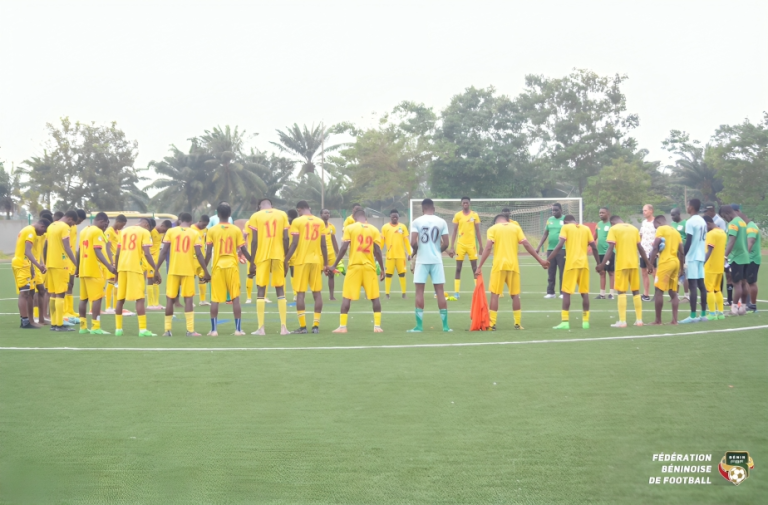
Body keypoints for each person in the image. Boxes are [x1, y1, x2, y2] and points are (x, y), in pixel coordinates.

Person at [476, 214, 549, 330]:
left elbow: (488, 247)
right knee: (515, 295)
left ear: (496, 222)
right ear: (507, 220)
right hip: (513, 266)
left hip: (498, 266)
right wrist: (540, 260)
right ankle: (517, 324)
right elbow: (526, 244)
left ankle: (492, 324)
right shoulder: (516, 228)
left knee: (495, 294)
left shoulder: (493, 229)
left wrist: (479, 266)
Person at [328, 209, 385, 333]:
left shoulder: (350, 228)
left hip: (354, 266)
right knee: (375, 297)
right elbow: (377, 251)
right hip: (369, 267)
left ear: (354, 217)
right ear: (365, 217)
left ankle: (343, 327)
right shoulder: (374, 229)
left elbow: (343, 248)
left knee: (347, 296)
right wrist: (382, 269)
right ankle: (377, 326)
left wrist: (334, 265)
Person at [597, 215, 653, 328]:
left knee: (621, 292)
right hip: (633, 264)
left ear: (612, 223)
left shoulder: (614, 229)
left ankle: (622, 321)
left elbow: (610, 248)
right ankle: (639, 320)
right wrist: (648, 263)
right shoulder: (634, 228)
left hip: (622, 264)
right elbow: (640, 248)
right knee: (636, 292)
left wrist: (602, 264)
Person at [156, 212, 206, 336]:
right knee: (188, 299)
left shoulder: (171, 232)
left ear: (179, 220)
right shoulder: (194, 233)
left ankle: (167, 330)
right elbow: (199, 254)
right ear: (191, 221)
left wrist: (156, 269)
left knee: (169, 299)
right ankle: (190, 330)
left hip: (173, 270)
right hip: (188, 270)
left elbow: (164, 251)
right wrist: (205, 270)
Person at [547, 215, 600, 329]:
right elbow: (594, 247)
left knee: (566, 293)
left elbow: (559, 245)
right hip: (584, 265)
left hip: (571, 265)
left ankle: (565, 322)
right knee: (584, 293)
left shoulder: (565, 228)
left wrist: (548, 259)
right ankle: (585, 322)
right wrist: (599, 264)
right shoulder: (585, 229)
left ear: (565, 222)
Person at [247, 198, 291, 336]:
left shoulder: (255, 216)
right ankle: (284, 328)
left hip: (262, 256)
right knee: (280, 289)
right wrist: (286, 259)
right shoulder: (282, 214)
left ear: (259, 206)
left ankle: (261, 328)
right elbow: (286, 238)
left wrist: (252, 261)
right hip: (278, 255)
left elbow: (254, 241)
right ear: (272, 205)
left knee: (261, 289)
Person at [204, 203, 248, 336]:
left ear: (217, 215)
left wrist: (204, 269)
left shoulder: (211, 230)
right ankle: (238, 330)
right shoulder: (236, 230)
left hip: (217, 266)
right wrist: (252, 262)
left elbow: (208, 252)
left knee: (215, 299)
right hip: (232, 266)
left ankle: (214, 330)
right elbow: (243, 249)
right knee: (235, 298)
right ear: (230, 215)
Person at [284, 201, 328, 333]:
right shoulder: (320, 222)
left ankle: (303, 327)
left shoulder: (297, 222)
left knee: (300, 294)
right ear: (309, 208)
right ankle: (316, 326)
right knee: (317, 293)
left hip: (301, 261)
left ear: (299, 209)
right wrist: (326, 263)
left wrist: (286, 259)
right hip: (316, 261)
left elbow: (295, 243)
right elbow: (323, 245)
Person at [408, 199, 451, 332]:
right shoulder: (441, 221)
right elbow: (446, 243)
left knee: (419, 291)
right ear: (434, 208)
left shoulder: (417, 221)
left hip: (422, 260)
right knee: (440, 292)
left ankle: (419, 326)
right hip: (436, 260)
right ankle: (445, 326)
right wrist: (438, 250)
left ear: (422, 209)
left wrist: (416, 251)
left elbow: (413, 242)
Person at [114, 218, 159, 337]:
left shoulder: (123, 231)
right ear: (147, 225)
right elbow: (147, 253)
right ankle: (143, 330)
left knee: (120, 298)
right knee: (140, 298)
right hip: (135, 267)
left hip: (122, 267)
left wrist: (116, 271)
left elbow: (117, 253)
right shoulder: (144, 232)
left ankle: (118, 329)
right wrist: (156, 269)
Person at [75, 213, 116, 334]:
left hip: (83, 269)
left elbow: (79, 250)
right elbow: (97, 250)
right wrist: (109, 266)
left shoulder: (84, 231)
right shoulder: (97, 231)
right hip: (94, 270)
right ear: (102, 221)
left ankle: (82, 327)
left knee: (84, 298)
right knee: (97, 299)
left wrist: (77, 268)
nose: (106, 227)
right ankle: (95, 327)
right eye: (106, 224)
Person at [12, 218, 50, 329]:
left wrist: (32, 266)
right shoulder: (30, 232)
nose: (42, 234)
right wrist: (39, 266)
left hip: (26, 264)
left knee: (29, 293)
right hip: (21, 264)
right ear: (42, 226)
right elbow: (27, 251)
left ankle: (30, 321)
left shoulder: (28, 230)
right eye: (44, 231)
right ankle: (25, 321)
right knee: (24, 293)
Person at [647, 215, 684, 325]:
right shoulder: (676, 232)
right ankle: (674, 320)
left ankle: (658, 320)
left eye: (655, 227)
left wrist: (650, 263)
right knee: (673, 292)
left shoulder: (661, 229)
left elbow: (655, 247)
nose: (655, 230)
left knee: (659, 290)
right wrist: (682, 268)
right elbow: (681, 252)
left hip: (665, 262)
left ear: (657, 222)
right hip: (675, 262)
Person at [46, 211, 78, 331]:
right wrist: (76, 264)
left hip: (50, 263)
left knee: (53, 294)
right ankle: (59, 324)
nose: (71, 225)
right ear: (70, 218)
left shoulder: (51, 226)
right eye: (72, 223)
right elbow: (67, 247)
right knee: (60, 293)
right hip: (61, 264)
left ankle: (54, 323)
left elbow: (47, 245)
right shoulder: (64, 227)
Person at [447, 197, 483, 299]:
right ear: (461, 204)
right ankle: (456, 292)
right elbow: (454, 231)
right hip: (460, 245)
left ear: (469, 203)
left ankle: (478, 292)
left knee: (475, 269)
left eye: (467, 202)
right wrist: (452, 247)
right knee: (458, 268)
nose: (465, 204)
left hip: (472, 245)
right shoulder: (458, 215)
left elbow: (478, 231)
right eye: (464, 202)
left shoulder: (474, 215)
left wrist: (481, 246)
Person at [680, 199, 708, 323]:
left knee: (693, 286)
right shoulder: (702, 221)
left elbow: (689, 241)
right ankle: (703, 315)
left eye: (687, 205)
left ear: (691, 207)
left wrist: (682, 255)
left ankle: (692, 316)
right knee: (701, 286)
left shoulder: (690, 221)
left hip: (692, 257)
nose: (686, 207)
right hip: (701, 255)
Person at [721, 205, 749, 315]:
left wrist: (724, 256)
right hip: (745, 257)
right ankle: (743, 308)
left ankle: (734, 309)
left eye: (724, 217)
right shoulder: (741, 222)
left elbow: (731, 241)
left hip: (736, 258)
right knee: (743, 284)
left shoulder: (732, 224)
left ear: (726, 214)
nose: (725, 219)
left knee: (736, 284)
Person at [536, 203, 565, 299]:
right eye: (552, 210)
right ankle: (550, 292)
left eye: (556, 210)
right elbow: (545, 234)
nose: (554, 212)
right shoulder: (550, 220)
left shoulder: (565, 220)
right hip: (550, 249)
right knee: (551, 271)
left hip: (563, 249)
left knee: (562, 271)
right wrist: (539, 246)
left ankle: (563, 292)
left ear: (561, 210)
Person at [381, 209, 411, 299]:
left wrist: (409, 253)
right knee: (388, 275)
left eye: (396, 216)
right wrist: (378, 252)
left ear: (398, 217)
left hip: (401, 256)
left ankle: (404, 294)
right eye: (393, 216)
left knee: (402, 274)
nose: (395, 218)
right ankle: (387, 294)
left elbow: (406, 241)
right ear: (390, 217)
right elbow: (382, 241)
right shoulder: (385, 227)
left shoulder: (402, 227)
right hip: (390, 256)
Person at [63, 209, 87, 321]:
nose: (79, 223)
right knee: (65, 285)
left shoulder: (74, 227)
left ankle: (70, 310)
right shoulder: (66, 226)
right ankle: (64, 311)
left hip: (71, 259)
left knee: (71, 284)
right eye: (79, 221)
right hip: (65, 259)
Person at [103, 214, 128, 315]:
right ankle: (108, 307)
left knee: (116, 283)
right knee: (111, 282)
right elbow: (107, 247)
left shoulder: (119, 232)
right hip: (112, 260)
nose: (123, 227)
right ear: (118, 222)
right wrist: (110, 261)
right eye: (122, 225)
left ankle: (114, 307)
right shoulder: (109, 231)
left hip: (118, 260)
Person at [703, 215, 727, 320]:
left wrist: (703, 262)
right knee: (717, 289)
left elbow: (709, 250)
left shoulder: (711, 234)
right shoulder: (722, 232)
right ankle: (720, 313)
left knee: (709, 289)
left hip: (711, 265)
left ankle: (712, 314)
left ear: (708, 223)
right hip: (720, 266)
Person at [32, 210, 53, 325]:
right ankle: (36, 316)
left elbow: (39, 251)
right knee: (33, 291)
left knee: (41, 290)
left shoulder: (41, 234)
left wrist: (42, 263)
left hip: (39, 265)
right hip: (33, 265)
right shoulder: (33, 233)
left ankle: (41, 316)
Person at [146, 219, 171, 311]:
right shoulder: (151, 231)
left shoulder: (161, 234)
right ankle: (150, 303)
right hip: (150, 260)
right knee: (150, 279)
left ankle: (156, 303)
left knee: (156, 280)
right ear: (162, 225)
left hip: (157, 261)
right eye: (165, 230)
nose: (165, 232)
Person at [594, 207, 615, 299]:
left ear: (608, 213)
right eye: (600, 213)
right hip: (600, 252)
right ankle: (602, 294)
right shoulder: (598, 224)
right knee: (601, 272)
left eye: (603, 213)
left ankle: (611, 294)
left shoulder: (612, 224)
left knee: (611, 272)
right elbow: (595, 236)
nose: (601, 214)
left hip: (609, 252)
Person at [191, 214, 211, 306]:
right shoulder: (191, 229)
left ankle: (202, 300)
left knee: (202, 277)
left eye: (206, 225)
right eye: (203, 224)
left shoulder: (206, 230)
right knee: (191, 278)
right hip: (192, 257)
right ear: (199, 221)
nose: (204, 226)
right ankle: (190, 300)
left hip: (201, 257)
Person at [670, 207, 689, 301]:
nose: (672, 217)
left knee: (683, 272)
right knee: (675, 273)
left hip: (683, 252)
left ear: (679, 214)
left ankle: (686, 295)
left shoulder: (685, 223)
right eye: (671, 215)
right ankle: (675, 296)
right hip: (674, 252)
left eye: (673, 215)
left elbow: (688, 238)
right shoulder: (672, 224)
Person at [638, 204, 656, 301]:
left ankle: (658, 293)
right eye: (643, 210)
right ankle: (646, 294)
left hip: (652, 252)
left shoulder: (656, 222)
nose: (644, 212)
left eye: (645, 210)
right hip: (643, 252)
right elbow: (640, 235)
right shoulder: (644, 222)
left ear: (651, 211)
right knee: (644, 273)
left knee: (654, 273)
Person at [321, 209, 339, 301]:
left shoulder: (332, 227)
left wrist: (338, 252)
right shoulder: (318, 226)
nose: (327, 214)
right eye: (325, 213)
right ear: (321, 215)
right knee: (317, 275)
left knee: (331, 275)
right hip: (320, 254)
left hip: (331, 254)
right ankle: (317, 295)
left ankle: (331, 296)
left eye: (328, 213)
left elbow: (334, 240)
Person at [745, 217, 761, 312]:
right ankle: (748, 304)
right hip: (748, 259)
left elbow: (750, 242)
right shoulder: (747, 227)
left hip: (752, 259)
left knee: (751, 282)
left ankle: (753, 305)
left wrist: (745, 255)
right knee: (746, 281)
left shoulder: (751, 227)